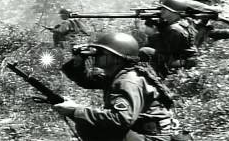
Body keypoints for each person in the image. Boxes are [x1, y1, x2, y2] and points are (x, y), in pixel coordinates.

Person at [54, 32, 187, 141]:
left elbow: (120, 119)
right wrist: (78, 61)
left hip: (154, 137)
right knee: (91, 124)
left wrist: (76, 110)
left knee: (93, 127)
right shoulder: (119, 74)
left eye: (102, 53)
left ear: (117, 57)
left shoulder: (128, 80)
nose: (96, 56)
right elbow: (87, 81)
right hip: (144, 133)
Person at [140, 0, 198, 78]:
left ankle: (154, 75)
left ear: (174, 12)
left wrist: (153, 35)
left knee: (145, 51)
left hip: (180, 61)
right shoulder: (182, 23)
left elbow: (165, 51)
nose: (162, 11)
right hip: (181, 57)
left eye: (165, 9)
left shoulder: (174, 29)